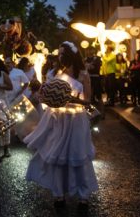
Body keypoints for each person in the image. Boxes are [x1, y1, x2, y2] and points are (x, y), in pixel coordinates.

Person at [24, 41, 98, 211]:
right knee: (57, 156)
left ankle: (83, 196)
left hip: (77, 120)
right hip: (59, 120)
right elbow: (50, 96)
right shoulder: (56, 74)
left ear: (72, 55)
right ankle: (59, 194)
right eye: (60, 54)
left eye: (64, 54)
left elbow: (87, 100)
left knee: (78, 156)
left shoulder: (83, 75)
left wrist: (70, 99)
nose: (60, 57)